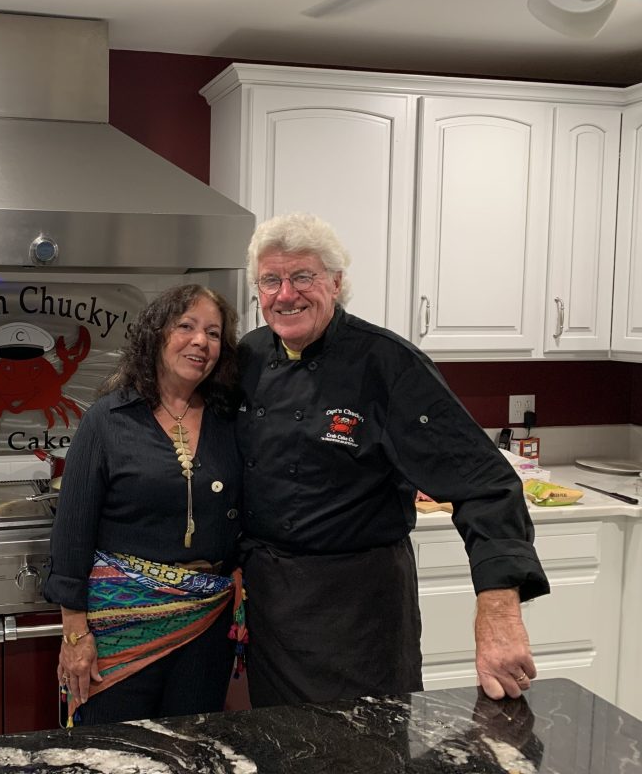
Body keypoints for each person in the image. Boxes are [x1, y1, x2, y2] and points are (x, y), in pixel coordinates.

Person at [236, 212, 550, 709]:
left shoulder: (389, 365)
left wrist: (498, 614)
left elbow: (487, 484)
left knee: (368, 753)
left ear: (336, 283)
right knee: (281, 748)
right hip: (269, 607)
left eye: (303, 277)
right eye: (271, 280)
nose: (285, 294)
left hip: (361, 613)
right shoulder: (247, 357)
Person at [43, 284, 244, 726]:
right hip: (120, 624)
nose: (200, 342)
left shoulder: (230, 420)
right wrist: (75, 634)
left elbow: (249, 508)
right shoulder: (109, 419)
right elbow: (73, 531)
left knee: (191, 747)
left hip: (206, 625)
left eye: (213, 333)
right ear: (156, 335)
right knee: (116, 752)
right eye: (186, 327)